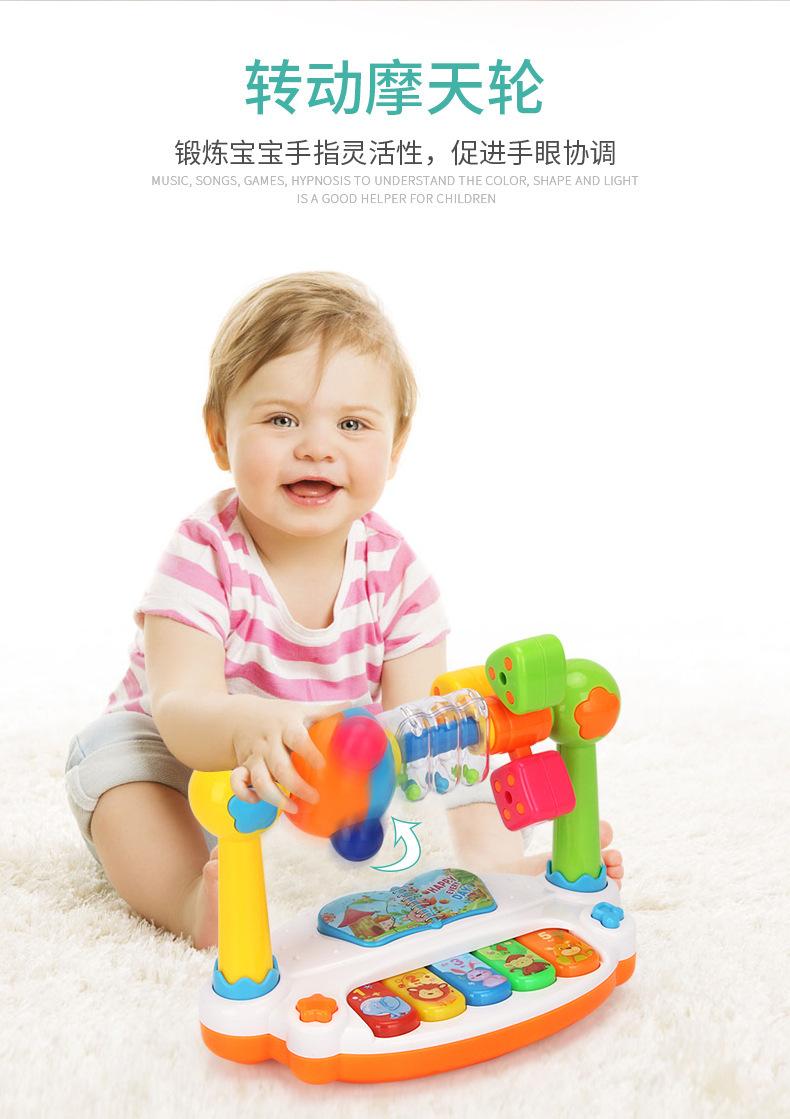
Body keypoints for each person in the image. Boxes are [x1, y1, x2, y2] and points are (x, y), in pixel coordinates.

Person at [65, 271, 622, 948]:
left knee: (462, 727)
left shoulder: (398, 577)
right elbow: (180, 709)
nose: (316, 446)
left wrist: (454, 764)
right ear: (219, 436)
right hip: (186, 757)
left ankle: (496, 863)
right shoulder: (203, 553)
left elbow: (427, 734)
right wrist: (247, 725)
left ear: (395, 445)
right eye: (281, 419)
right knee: (115, 766)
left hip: (321, 776)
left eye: (352, 424)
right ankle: (188, 899)